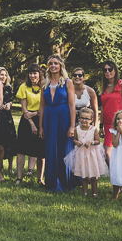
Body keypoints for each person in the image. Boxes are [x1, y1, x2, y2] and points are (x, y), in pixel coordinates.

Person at [39, 54, 77, 192]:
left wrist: (72, 126)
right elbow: (42, 106)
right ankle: (51, 181)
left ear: (61, 66)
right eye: (51, 63)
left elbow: (72, 105)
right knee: (50, 148)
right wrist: (41, 126)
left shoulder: (68, 82)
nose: (53, 66)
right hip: (49, 118)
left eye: (56, 63)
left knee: (64, 148)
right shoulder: (44, 83)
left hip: (64, 117)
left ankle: (66, 181)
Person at [14, 64, 44, 185]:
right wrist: (32, 123)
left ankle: (40, 178)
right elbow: (25, 110)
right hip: (27, 122)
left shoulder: (44, 87)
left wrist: (36, 113)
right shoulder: (24, 87)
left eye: (35, 73)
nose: (32, 76)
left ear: (39, 74)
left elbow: (45, 106)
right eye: (30, 73)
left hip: (41, 119)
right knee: (21, 150)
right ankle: (19, 177)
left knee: (41, 151)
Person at [99, 60, 122, 166]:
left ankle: (121, 178)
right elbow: (103, 108)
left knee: (115, 152)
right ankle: (115, 178)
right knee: (106, 154)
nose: (108, 72)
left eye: (110, 69)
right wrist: (101, 126)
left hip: (119, 124)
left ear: (115, 70)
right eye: (105, 70)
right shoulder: (104, 87)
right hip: (108, 125)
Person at [67, 108, 106, 198]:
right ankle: (85, 192)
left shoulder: (93, 129)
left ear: (91, 120)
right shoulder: (77, 129)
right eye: (82, 118)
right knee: (83, 175)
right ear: (79, 119)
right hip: (81, 154)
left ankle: (94, 193)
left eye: (87, 118)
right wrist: (77, 143)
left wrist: (91, 142)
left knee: (93, 175)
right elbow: (75, 139)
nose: (84, 120)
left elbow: (98, 141)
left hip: (91, 155)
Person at [0, 67, 18, 176]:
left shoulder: (8, 87)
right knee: (0, 141)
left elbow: (11, 99)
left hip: (7, 116)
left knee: (11, 140)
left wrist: (9, 104)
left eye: (5, 75)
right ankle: (0, 166)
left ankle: (11, 167)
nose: (3, 77)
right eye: (1, 75)